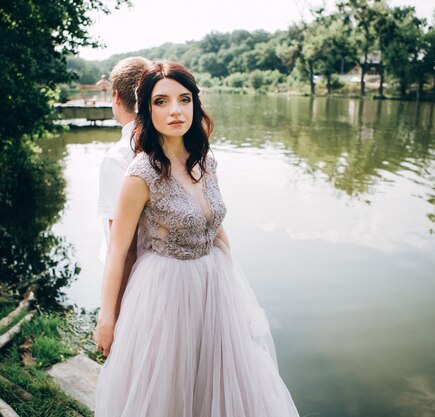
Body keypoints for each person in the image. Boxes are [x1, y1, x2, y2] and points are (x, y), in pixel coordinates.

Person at [94, 61, 300, 417]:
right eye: (161, 102)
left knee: (219, 386)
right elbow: (117, 250)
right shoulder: (140, 174)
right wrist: (108, 317)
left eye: (184, 99)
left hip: (214, 286)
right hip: (165, 291)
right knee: (169, 390)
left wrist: (236, 287)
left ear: (195, 105)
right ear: (146, 109)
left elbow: (216, 226)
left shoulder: (206, 160)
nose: (175, 110)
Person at [96, 57, 150, 315]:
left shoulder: (118, 157)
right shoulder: (174, 145)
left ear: (116, 96)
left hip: (137, 288)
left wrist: (113, 314)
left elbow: (123, 248)